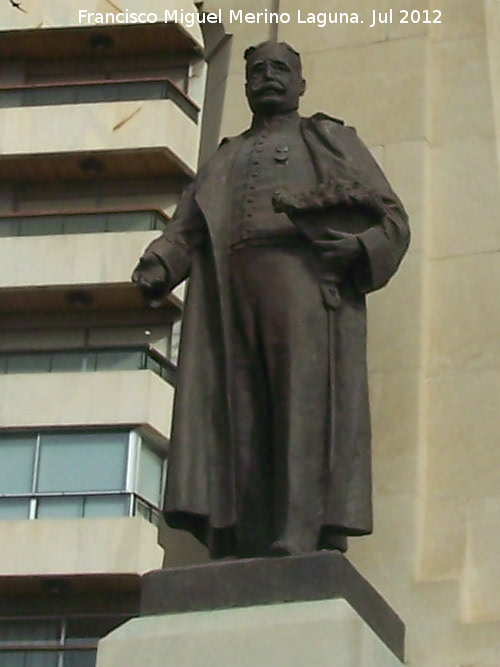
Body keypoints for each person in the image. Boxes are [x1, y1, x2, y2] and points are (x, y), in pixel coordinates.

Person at [132, 41, 410, 558]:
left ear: (301, 85)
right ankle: (243, 531)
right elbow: (189, 229)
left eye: (280, 69)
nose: (267, 77)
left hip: (301, 281)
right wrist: (159, 264)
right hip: (226, 291)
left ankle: (300, 529)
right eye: (257, 70)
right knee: (238, 412)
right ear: (244, 85)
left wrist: (357, 248)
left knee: (300, 406)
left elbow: (391, 217)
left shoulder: (327, 139)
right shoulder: (225, 157)